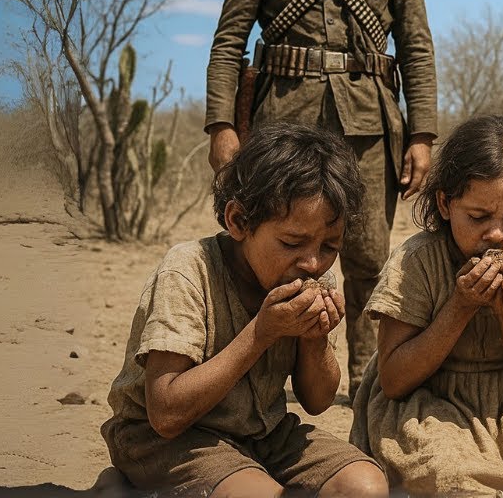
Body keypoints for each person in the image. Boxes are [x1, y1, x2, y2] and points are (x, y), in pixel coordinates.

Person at [204, 0, 438, 398]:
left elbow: (416, 48)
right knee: (277, 251)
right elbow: (229, 44)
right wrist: (222, 128)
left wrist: (422, 135)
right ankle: (263, 375)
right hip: (281, 128)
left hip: (369, 128)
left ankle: (366, 383)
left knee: (367, 257)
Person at [100, 122, 388, 497]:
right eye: (292, 242)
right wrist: (261, 333)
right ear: (238, 221)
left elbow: (317, 402)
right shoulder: (188, 271)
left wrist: (314, 340)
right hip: (164, 440)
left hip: (262, 434)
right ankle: (121, 485)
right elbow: (166, 415)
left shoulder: (312, 274)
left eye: (330, 247)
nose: (313, 263)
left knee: (365, 487)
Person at [349, 114, 503, 495]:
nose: (497, 234)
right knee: (443, 469)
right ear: (445, 204)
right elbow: (395, 380)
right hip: (427, 402)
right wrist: (459, 307)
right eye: (478, 217)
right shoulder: (416, 261)